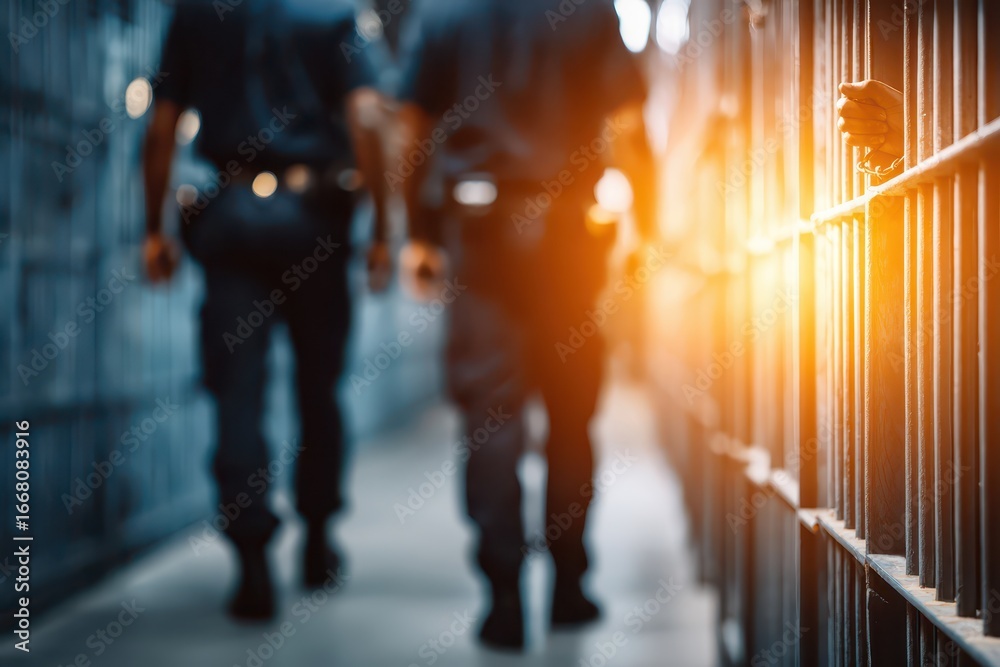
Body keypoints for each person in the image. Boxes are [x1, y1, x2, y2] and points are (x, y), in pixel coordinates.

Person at [393, 0, 657, 650]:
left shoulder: (442, 14)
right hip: (569, 235)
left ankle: (503, 598)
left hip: (480, 238)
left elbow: (411, 128)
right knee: (570, 415)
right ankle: (569, 587)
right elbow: (626, 125)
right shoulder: (591, 11)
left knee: (489, 415)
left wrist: (418, 234)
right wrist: (646, 230)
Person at [142, 0, 390, 621]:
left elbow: (163, 122)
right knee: (319, 388)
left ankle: (251, 555)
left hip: (230, 220)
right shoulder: (332, 14)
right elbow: (366, 114)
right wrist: (382, 227)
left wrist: (154, 230)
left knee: (237, 392)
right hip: (314, 220)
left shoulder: (197, 16)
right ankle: (317, 536)